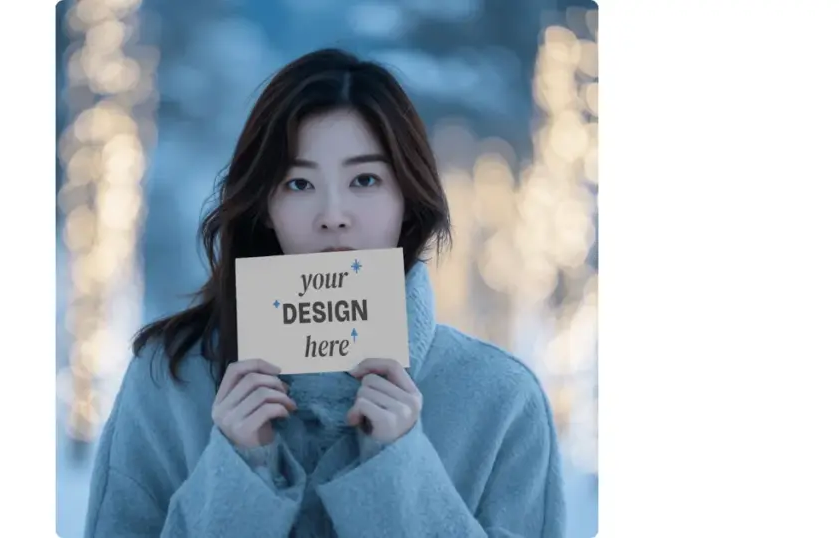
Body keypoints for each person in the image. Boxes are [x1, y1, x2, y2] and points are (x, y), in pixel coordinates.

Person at [83, 48, 566, 538]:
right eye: (298, 183)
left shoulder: (501, 400)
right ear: (264, 205)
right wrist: (237, 474)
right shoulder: (169, 380)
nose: (333, 214)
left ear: (407, 198)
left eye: (365, 180)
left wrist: (400, 477)